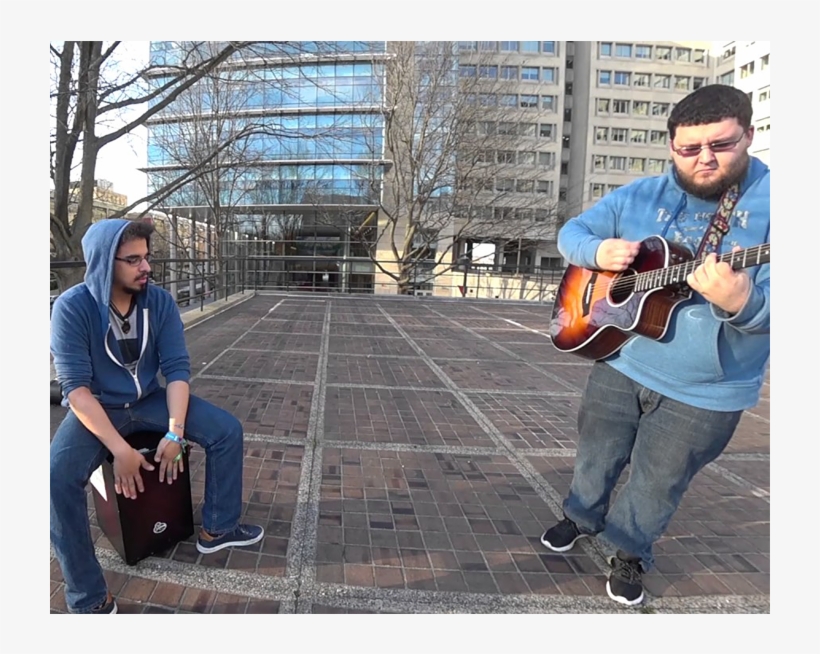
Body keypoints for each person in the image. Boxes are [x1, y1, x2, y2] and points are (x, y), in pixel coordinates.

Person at [540, 84, 770, 606]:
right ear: (671, 145)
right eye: (690, 148)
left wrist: (743, 302)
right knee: (596, 452)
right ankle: (578, 515)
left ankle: (628, 549)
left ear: (749, 135)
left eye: (722, 144)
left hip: (708, 388)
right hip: (620, 355)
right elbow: (572, 234)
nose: (705, 158)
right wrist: (597, 250)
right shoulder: (639, 195)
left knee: (658, 478)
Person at [50, 219, 264, 614]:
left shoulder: (159, 302)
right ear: (102, 263)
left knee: (226, 431)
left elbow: (178, 370)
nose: (146, 267)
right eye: (133, 260)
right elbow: (76, 390)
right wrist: (120, 451)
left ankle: (219, 528)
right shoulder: (72, 308)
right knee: (57, 478)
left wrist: (175, 433)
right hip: (100, 407)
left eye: (146, 257)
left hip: (150, 399)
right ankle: (88, 597)